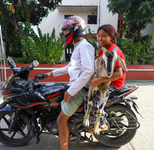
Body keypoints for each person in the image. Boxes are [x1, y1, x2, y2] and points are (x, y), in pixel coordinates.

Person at [46, 16, 95, 150]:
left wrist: (70, 92)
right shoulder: (77, 46)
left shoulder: (85, 46)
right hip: (74, 86)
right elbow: (70, 67)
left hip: (79, 89)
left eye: (67, 30)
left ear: (76, 30)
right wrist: (52, 73)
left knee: (61, 121)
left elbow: (88, 72)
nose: (65, 33)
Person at [84, 24, 127, 133]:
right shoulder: (103, 49)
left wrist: (99, 80)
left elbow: (119, 74)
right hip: (103, 78)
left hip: (114, 82)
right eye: (98, 36)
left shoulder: (113, 51)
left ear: (112, 38)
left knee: (97, 99)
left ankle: (102, 123)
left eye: (104, 36)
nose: (100, 38)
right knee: (87, 94)